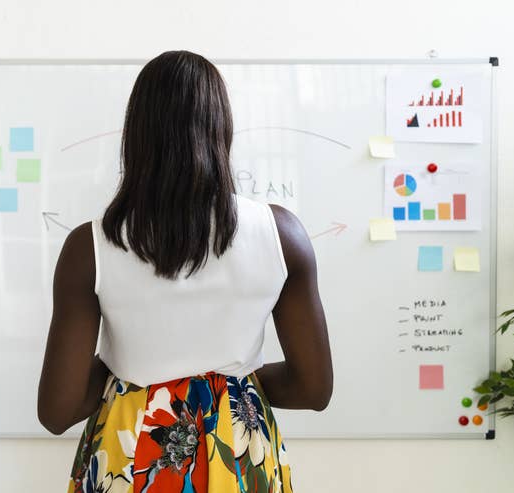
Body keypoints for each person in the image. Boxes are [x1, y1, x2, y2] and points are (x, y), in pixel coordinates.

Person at [38, 50, 333, 493]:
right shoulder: (281, 235)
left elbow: (57, 410)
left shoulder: (90, 247)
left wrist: (132, 370)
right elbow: (314, 389)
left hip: (131, 451)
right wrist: (227, 386)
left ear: (135, 134)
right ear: (222, 128)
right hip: (238, 456)